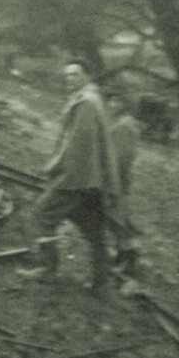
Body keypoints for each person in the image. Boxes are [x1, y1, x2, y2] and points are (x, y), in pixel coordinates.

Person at [30, 60, 119, 294]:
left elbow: (76, 144)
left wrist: (54, 167)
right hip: (91, 178)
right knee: (92, 229)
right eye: (67, 75)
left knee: (43, 213)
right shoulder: (90, 99)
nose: (69, 79)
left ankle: (49, 270)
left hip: (77, 177)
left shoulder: (86, 103)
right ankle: (101, 282)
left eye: (75, 75)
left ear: (87, 76)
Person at [105, 90, 142, 275]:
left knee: (117, 220)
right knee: (117, 218)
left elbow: (121, 158)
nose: (111, 104)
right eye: (110, 100)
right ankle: (123, 254)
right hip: (118, 179)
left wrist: (112, 183)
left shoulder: (124, 126)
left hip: (116, 180)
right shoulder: (124, 123)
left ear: (124, 104)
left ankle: (129, 259)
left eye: (115, 100)